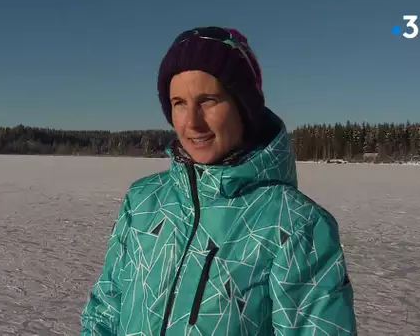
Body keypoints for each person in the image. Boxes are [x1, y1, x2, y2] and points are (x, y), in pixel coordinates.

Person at [80, 26, 357, 335]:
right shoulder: (143, 200)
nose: (192, 122)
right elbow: (105, 310)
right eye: (179, 103)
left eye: (208, 100)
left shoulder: (296, 225)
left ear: (243, 106)